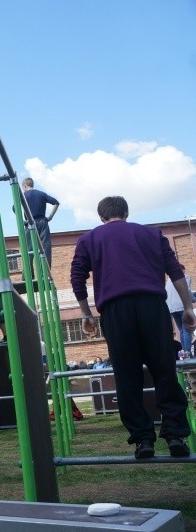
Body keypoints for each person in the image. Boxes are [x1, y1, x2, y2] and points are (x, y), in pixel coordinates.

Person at [70, 196, 194, 459]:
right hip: (151, 305)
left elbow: (77, 277)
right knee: (164, 369)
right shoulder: (151, 234)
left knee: (127, 375)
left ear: (101, 217)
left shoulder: (89, 239)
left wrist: (85, 314)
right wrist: (187, 307)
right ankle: (175, 435)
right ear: (126, 212)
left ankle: (143, 440)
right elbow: (175, 271)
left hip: (116, 310)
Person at [21, 177, 59, 268]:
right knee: (45, 249)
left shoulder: (23, 195)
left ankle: (29, 275)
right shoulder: (41, 194)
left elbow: (15, 208)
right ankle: (45, 272)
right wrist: (50, 217)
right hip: (42, 222)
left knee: (28, 250)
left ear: (25, 185)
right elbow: (56, 203)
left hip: (30, 224)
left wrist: (23, 221)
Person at [166, 274, 194, 358]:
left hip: (172, 308)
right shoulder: (185, 277)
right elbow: (189, 294)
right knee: (187, 329)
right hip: (182, 306)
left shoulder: (169, 279)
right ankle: (187, 352)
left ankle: (184, 351)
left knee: (181, 330)